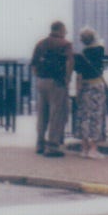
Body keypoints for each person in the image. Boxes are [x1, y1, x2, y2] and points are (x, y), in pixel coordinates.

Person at [30, 21, 74, 157]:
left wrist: (39, 77)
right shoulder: (65, 44)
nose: (66, 33)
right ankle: (53, 146)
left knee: (42, 113)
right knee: (57, 114)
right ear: (60, 30)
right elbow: (70, 62)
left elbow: (33, 64)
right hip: (56, 82)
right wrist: (67, 79)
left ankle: (40, 144)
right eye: (65, 30)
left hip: (41, 81)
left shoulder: (41, 43)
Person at [73, 27, 107, 158]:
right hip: (97, 86)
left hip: (85, 87)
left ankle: (84, 148)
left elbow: (79, 76)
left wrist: (78, 92)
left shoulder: (81, 56)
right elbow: (101, 43)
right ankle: (93, 149)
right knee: (96, 116)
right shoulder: (99, 50)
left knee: (84, 116)